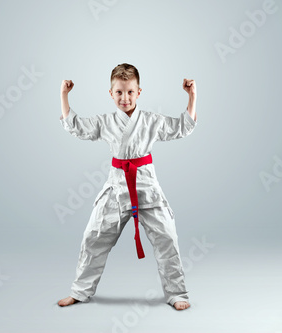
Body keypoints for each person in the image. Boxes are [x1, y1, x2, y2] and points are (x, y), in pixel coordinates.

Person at [57, 63, 197, 310]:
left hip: (146, 186)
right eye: (119, 92)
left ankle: (177, 293)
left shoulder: (151, 120)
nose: (125, 98)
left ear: (139, 92)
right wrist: (64, 95)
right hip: (116, 188)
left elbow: (181, 127)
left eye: (130, 92)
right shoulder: (107, 121)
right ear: (111, 94)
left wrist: (192, 96)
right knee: (93, 237)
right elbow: (78, 127)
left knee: (167, 237)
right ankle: (80, 291)